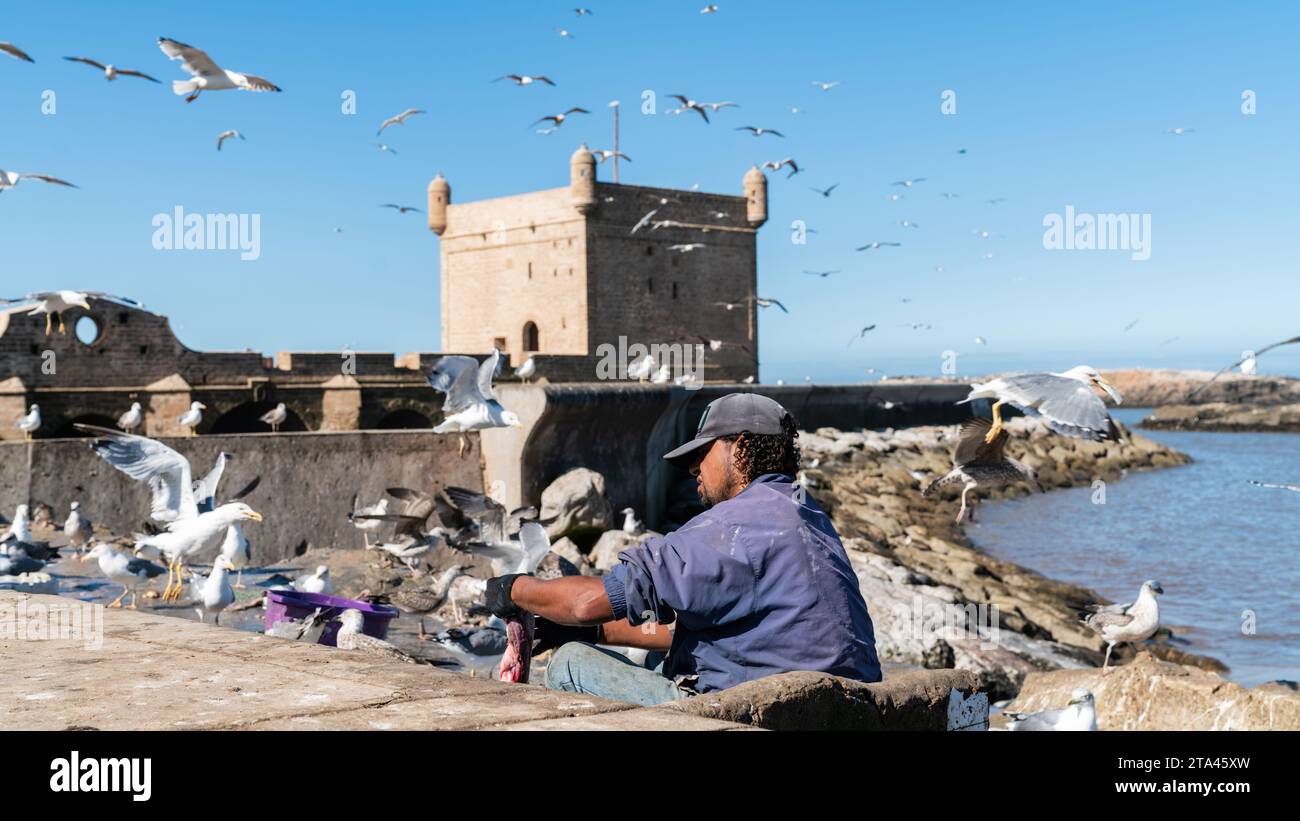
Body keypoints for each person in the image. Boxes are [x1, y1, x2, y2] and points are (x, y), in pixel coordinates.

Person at [485, 392, 881, 706]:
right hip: (838, 704)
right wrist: (597, 631)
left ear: (739, 450)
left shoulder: (730, 526)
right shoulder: (809, 515)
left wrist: (514, 589)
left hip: (754, 710)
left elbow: (586, 603)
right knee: (665, 659)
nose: (694, 471)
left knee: (570, 662)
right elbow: (697, 634)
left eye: (701, 455)